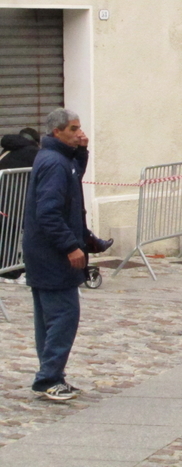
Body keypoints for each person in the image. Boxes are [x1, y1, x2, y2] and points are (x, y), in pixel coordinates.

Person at [22, 109, 93, 401]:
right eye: (73, 129)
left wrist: (82, 151)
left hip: (42, 253)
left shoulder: (58, 159)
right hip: (51, 254)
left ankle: (52, 375)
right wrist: (70, 246)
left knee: (48, 318)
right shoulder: (54, 163)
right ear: (57, 132)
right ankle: (48, 377)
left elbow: (73, 178)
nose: (80, 133)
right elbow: (49, 212)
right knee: (64, 315)